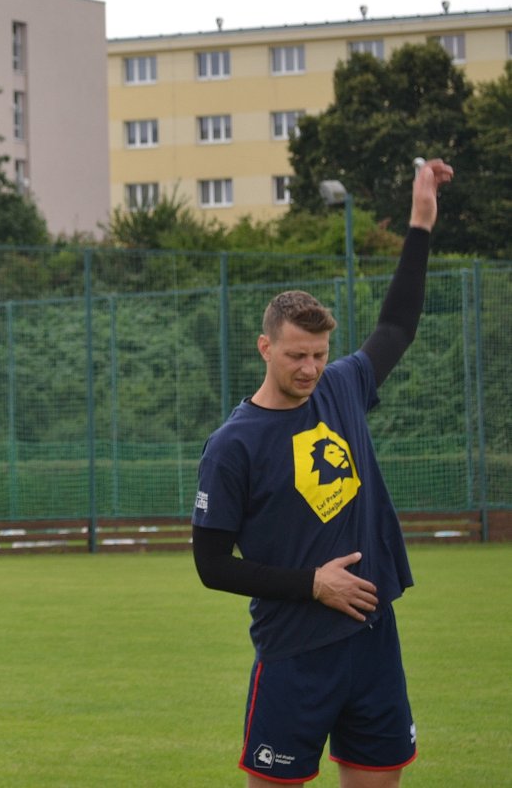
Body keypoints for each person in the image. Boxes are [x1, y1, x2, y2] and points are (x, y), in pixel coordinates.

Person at [192, 159, 454, 787]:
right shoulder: (233, 446)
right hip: (295, 652)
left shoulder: (342, 387)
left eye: (318, 354)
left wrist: (420, 222)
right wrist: (313, 584)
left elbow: (397, 325)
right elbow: (212, 565)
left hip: (373, 640)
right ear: (266, 348)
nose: (309, 368)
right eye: (295, 356)